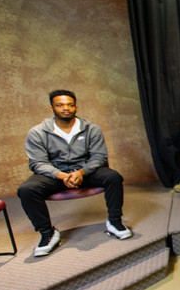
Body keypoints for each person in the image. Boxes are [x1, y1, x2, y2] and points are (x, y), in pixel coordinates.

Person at [18, 90, 132, 257]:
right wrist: (62, 175)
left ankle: (115, 222)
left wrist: (82, 172)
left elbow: (99, 157)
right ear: (51, 108)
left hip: (85, 172)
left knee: (113, 177)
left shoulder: (91, 129)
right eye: (60, 105)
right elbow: (38, 163)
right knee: (26, 190)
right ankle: (47, 233)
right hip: (55, 175)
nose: (66, 108)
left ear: (76, 107)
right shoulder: (38, 132)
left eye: (70, 105)